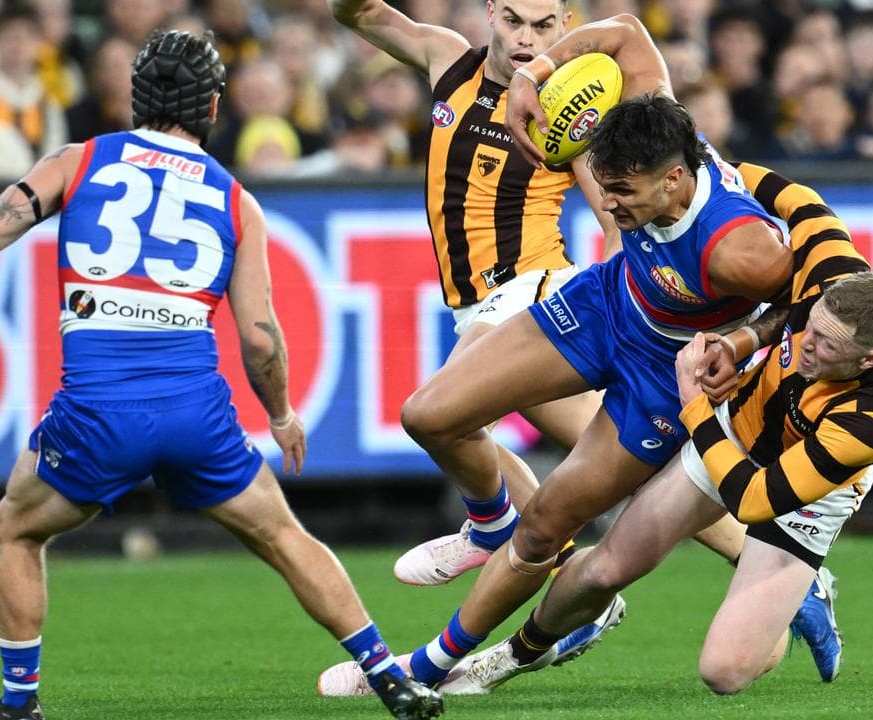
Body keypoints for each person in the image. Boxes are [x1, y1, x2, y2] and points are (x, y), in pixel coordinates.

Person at [0, 30, 442, 720]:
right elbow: (260, 338)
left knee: (16, 526)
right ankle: (389, 677)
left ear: (134, 97)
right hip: (196, 413)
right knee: (286, 536)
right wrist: (281, 413)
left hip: (99, 411)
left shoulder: (78, 161)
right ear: (215, 105)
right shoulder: (236, 202)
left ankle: (20, 705)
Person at [321, 12, 796, 693]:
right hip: (602, 306)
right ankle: (496, 532)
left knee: (563, 520)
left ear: (670, 183)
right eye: (512, 18)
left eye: (620, 191)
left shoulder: (740, 251)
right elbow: (628, 32)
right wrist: (535, 76)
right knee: (431, 416)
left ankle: (431, 663)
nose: (605, 198)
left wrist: (747, 338)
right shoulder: (637, 115)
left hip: (647, 363)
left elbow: (814, 294)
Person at [441, 164, 873, 696]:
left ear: (870, 359)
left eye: (829, 346)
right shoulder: (834, 267)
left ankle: (799, 590)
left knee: (724, 672)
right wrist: (705, 179)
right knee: (605, 570)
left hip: (802, 492)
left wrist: (693, 410)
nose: (807, 343)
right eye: (812, 325)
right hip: (737, 428)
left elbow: (754, 501)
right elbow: (787, 192)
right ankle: (509, 657)